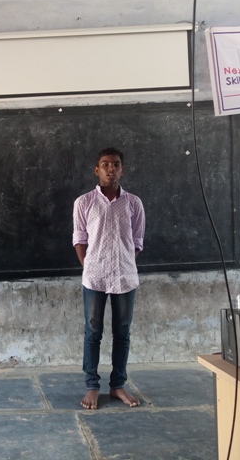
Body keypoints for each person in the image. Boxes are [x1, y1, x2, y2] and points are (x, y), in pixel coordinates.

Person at [72, 147, 145, 410]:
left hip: (125, 277)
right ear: (97, 170)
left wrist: (124, 263)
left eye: (115, 164)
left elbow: (137, 240)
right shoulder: (84, 202)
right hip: (95, 277)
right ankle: (92, 386)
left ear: (122, 169)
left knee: (122, 332)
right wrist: (90, 266)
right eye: (105, 164)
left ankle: (118, 385)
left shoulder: (133, 203)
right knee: (93, 331)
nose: (110, 168)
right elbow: (79, 238)